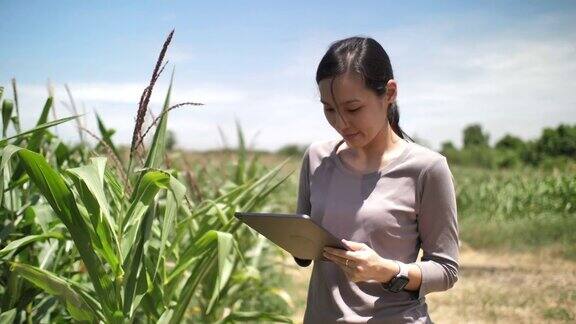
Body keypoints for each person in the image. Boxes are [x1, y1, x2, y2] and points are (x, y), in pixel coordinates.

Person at [293, 36, 460, 323]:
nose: (340, 123)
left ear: (389, 93)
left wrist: (387, 271)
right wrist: (292, 237)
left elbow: (446, 271)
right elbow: (304, 254)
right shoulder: (317, 158)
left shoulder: (427, 168)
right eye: (329, 109)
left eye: (353, 108)